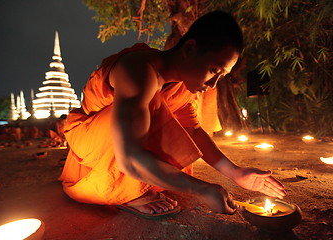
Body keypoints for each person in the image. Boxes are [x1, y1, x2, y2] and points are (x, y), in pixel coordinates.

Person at [60, 11, 286, 219]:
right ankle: (125, 191)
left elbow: (194, 130)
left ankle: (140, 183)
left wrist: (235, 172)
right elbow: (128, 159)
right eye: (214, 70)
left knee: (178, 122)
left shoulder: (181, 86)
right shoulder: (138, 70)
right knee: (152, 105)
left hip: (117, 149)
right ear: (189, 49)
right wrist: (202, 189)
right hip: (91, 154)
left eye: (221, 76)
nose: (212, 84)